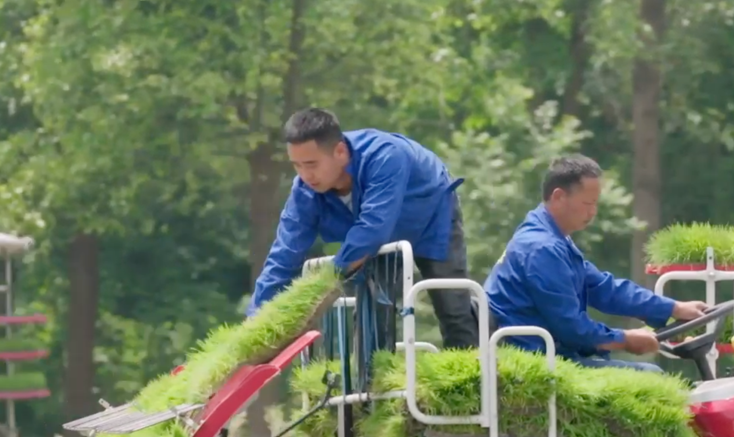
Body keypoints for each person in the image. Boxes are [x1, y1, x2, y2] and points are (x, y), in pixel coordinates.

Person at [248, 108, 480, 350]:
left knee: (452, 307)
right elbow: (283, 256)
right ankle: (374, 372)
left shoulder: (385, 156)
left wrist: (325, 283)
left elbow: (373, 228)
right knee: (371, 316)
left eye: (312, 164)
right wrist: (254, 322)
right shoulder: (304, 191)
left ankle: (473, 366)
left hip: (431, 214)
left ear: (340, 152)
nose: (305, 175)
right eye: (297, 166)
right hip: (373, 237)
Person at [484, 154, 708, 373]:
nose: (593, 212)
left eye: (595, 204)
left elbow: (604, 289)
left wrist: (673, 308)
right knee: (653, 375)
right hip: (537, 362)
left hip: (553, 353)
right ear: (559, 196)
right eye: (587, 203)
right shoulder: (541, 248)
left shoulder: (554, 240)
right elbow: (571, 328)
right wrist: (625, 339)